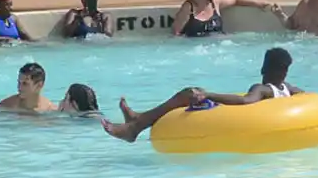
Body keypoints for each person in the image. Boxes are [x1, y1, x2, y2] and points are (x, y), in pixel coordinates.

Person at [102, 48, 303, 143]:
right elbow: (304, 95)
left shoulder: (262, 88)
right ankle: (137, 119)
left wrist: (208, 94)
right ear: (285, 71)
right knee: (191, 94)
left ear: (264, 68)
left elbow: (245, 101)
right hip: (258, 123)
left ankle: (135, 127)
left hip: (231, 120)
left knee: (189, 93)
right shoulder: (288, 88)